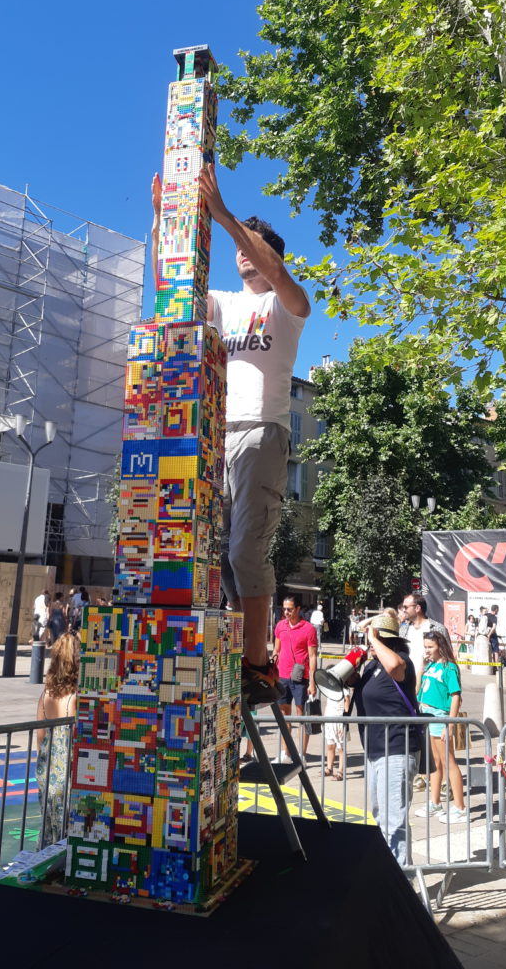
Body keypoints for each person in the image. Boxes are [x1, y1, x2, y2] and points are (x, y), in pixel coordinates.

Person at [152, 164, 310, 707]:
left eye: (254, 242)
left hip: (262, 434)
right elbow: (171, 292)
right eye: (239, 242)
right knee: (214, 551)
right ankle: (234, 649)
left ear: (273, 255)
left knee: (247, 550)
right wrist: (161, 226)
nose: (242, 251)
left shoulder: (285, 304)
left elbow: (280, 276)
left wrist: (225, 217)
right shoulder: (225, 302)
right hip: (218, 434)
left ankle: (260, 666)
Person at [349, 610, 421, 866]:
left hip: (397, 747)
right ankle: (390, 870)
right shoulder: (372, 665)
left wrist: (373, 637)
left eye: (376, 640)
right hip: (375, 748)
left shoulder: (400, 660)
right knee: (381, 815)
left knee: (394, 819)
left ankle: (401, 878)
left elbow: (395, 668)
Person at [416, 631, 467, 823]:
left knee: (448, 761)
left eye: (430, 647)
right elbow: (418, 691)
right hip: (427, 716)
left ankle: (460, 807)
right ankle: (435, 802)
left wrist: (450, 724)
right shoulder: (431, 666)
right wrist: (421, 670)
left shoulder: (449, 667)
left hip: (440, 716)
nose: (427, 650)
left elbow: (455, 696)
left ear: (440, 646)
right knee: (434, 762)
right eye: (425, 647)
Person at [35, 633, 79, 849]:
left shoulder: (45, 695)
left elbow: (40, 737)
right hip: (68, 773)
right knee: (68, 827)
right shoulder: (75, 699)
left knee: (49, 823)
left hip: (48, 768)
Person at [272, 595, 318, 760]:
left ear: (298, 609)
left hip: (301, 678)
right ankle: (286, 752)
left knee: (302, 717)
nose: (286, 612)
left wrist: (312, 683)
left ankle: (302, 754)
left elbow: (313, 656)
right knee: (285, 716)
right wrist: (271, 673)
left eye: (289, 609)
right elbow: (276, 651)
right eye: (284, 609)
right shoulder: (280, 626)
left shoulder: (309, 629)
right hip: (282, 676)